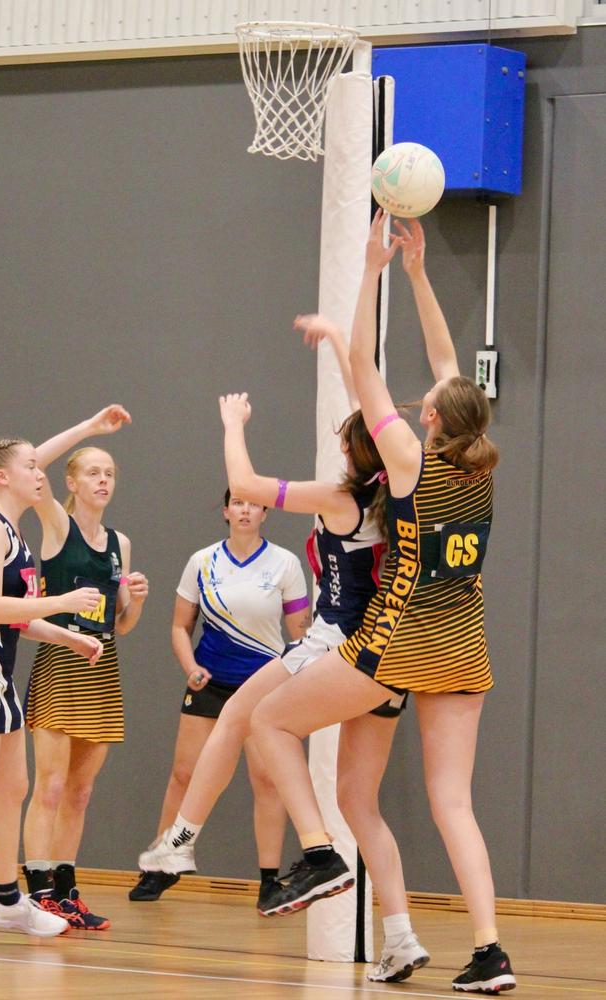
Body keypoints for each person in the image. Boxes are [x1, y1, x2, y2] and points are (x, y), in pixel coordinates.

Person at [243, 213, 516, 994]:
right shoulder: (477, 467)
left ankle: (319, 852)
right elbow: (448, 366)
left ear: (431, 417)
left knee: (268, 719)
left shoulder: (407, 462)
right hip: (464, 649)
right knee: (449, 803)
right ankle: (487, 948)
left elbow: (363, 361)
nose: (422, 395)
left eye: (427, 399)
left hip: (392, 646)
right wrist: (422, 275)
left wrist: (371, 269)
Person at [137, 322, 430, 983]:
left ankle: (244, 844)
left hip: (344, 642)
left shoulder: (341, 498)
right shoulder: (398, 499)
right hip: (391, 659)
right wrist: (340, 343)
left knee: (252, 715)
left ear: (354, 451)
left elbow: (243, 484)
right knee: (361, 800)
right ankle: (403, 935)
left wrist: (232, 423)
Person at [0, 438, 103, 956]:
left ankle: (4, 900)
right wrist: (64, 600)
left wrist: (67, 634)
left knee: (10, 788)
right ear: (3, 477)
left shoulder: (12, 531)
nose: (40, 473)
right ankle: (4, 899)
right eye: (32, 465)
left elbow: (16, 614)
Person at [131, 489, 310, 908]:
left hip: (264, 688)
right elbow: (180, 626)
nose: (245, 510)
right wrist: (190, 667)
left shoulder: (285, 563)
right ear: (226, 510)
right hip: (210, 685)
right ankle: (159, 867)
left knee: (267, 781)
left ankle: (269, 881)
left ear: (265, 511)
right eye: (238, 503)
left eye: (254, 503)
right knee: (184, 775)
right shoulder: (201, 561)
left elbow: (301, 633)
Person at [22, 405, 148, 930]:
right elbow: (32, 467)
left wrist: (136, 599)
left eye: (110, 474)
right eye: (93, 471)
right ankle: (37, 892)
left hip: (102, 664)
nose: (103, 480)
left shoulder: (119, 543)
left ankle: (67, 891)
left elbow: (121, 625)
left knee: (80, 790)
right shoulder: (55, 521)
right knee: (49, 786)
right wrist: (90, 429)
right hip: (58, 658)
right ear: (71, 481)